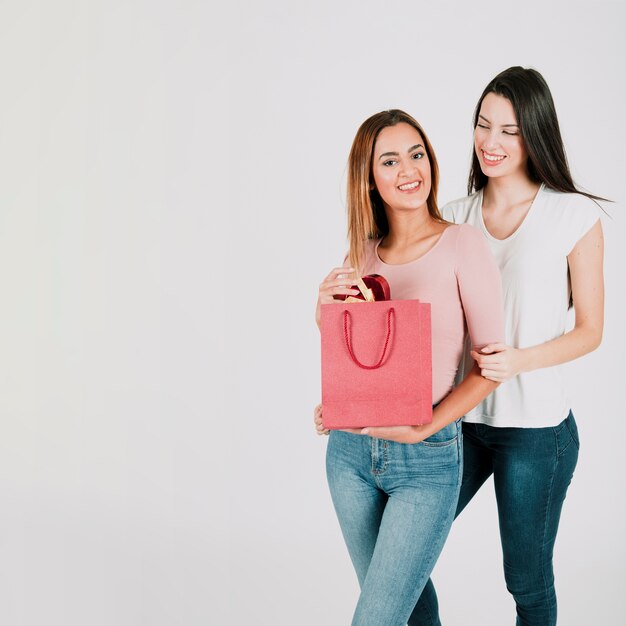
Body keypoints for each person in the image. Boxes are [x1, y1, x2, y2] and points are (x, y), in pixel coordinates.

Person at [407, 67, 605, 626]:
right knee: (401, 561)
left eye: (510, 131)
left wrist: (518, 360)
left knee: (527, 581)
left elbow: (591, 330)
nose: (490, 142)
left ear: (535, 134)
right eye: (482, 125)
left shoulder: (573, 215)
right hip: (458, 420)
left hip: (536, 431)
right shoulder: (452, 216)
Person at [314, 109, 505, 626]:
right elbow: (360, 357)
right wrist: (322, 319)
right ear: (370, 178)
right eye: (391, 160)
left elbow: (490, 366)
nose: (409, 170)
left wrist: (428, 425)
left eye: (416, 154)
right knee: (411, 611)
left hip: (426, 461)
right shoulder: (363, 254)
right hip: (350, 457)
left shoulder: (463, 244)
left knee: (376, 618)